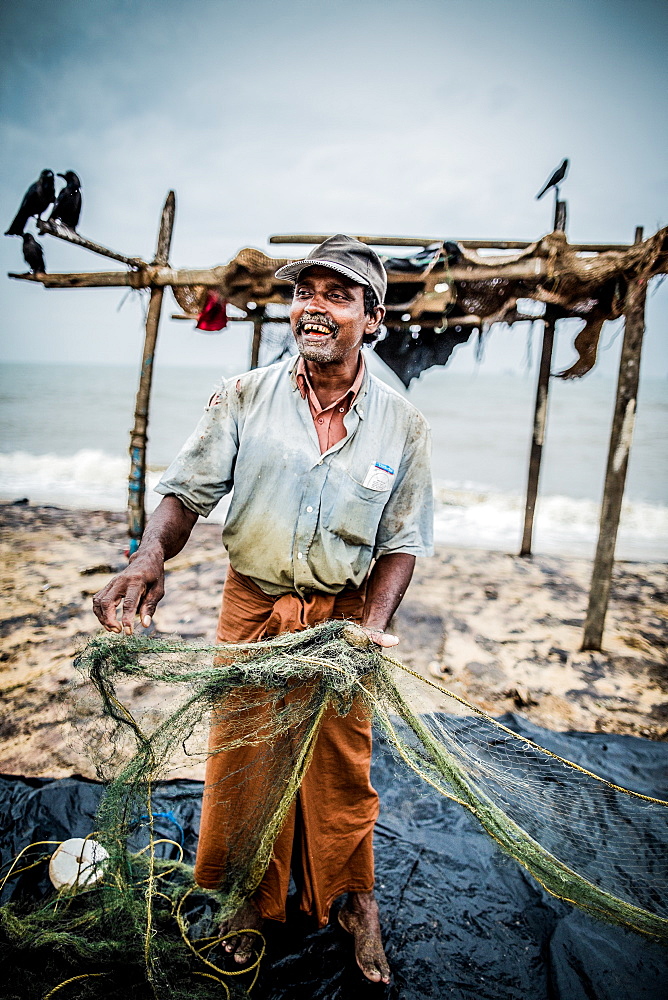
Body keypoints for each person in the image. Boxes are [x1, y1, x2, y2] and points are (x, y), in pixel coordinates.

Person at [93, 235, 433, 984]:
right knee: (243, 756)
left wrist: (374, 625)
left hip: (343, 618)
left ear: (372, 318)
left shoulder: (402, 426)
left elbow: (403, 541)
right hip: (252, 606)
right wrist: (149, 556)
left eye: (336, 295)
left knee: (343, 766)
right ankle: (244, 899)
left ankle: (351, 901)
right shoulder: (241, 396)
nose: (314, 307)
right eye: (304, 292)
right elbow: (185, 495)